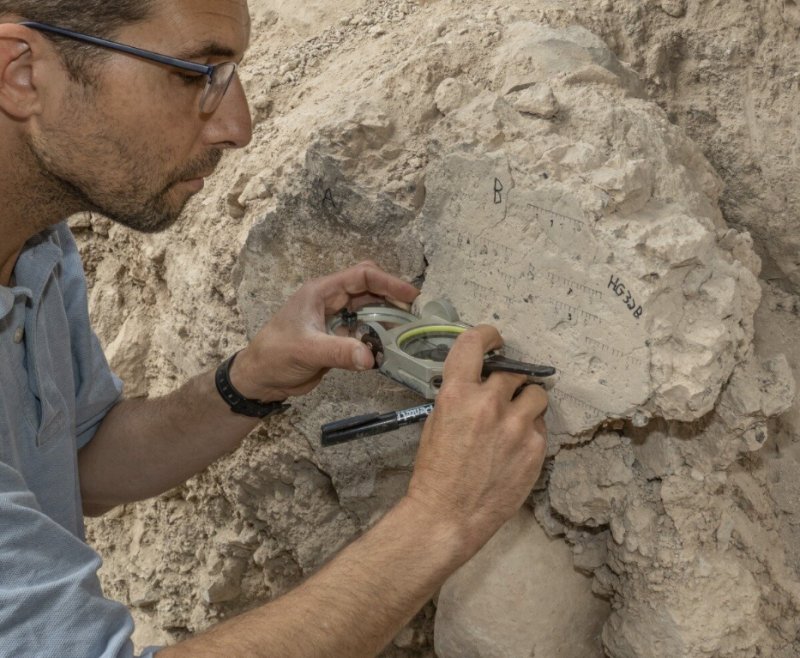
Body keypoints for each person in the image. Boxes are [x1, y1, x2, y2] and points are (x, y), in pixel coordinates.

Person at [0, 1, 549, 656]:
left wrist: (251, 380)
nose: (239, 126)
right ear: (21, 70)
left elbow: (78, 464)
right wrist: (439, 520)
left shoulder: (34, 242)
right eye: (197, 75)